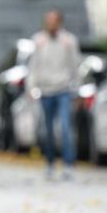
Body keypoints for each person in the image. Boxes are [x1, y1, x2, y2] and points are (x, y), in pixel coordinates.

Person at [27, 10, 82, 180]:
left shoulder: (68, 41)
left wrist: (77, 89)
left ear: (60, 23)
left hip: (63, 90)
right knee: (47, 130)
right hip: (45, 91)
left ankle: (68, 165)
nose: (50, 24)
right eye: (48, 21)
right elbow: (33, 66)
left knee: (65, 128)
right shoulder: (39, 41)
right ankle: (50, 163)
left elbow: (76, 66)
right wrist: (31, 87)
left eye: (54, 21)